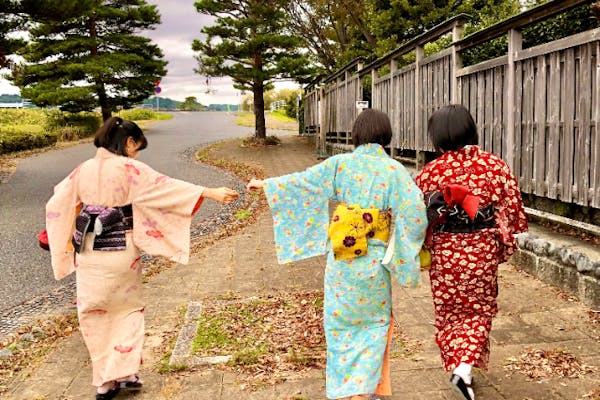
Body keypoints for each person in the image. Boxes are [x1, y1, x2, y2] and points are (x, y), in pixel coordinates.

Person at [44, 117, 239, 399]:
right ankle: (125, 373)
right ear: (128, 142)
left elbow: (57, 203)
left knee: (94, 313)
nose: (136, 153)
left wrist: (66, 233)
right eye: (137, 146)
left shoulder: (83, 169)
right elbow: (166, 187)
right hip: (120, 251)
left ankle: (103, 381)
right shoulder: (130, 169)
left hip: (88, 252)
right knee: (127, 310)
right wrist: (208, 192)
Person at [247, 109, 427, 400]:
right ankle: (366, 390)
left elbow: (305, 182)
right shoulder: (394, 171)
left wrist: (267, 184)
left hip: (342, 261)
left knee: (341, 325)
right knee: (374, 326)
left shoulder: (340, 164)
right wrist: (403, 260)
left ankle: (348, 391)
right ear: (386, 136)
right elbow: (416, 214)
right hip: (374, 265)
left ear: (357, 136)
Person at [414, 104, 528, 400]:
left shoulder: (430, 172)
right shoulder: (494, 165)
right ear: (471, 130)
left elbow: (416, 215)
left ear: (436, 136)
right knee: (480, 308)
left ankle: (459, 366)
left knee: (449, 310)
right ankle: (464, 368)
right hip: (481, 250)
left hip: (446, 251)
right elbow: (514, 209)